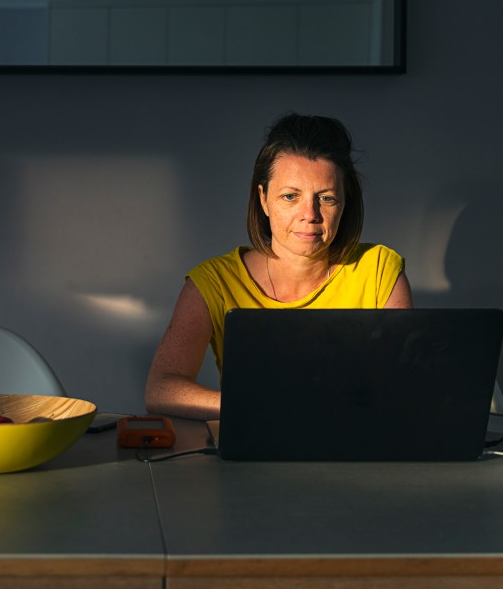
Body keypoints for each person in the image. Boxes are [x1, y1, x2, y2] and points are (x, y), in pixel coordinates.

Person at [145, 113, 413, 420]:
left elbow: (402, 387)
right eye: (290, 196)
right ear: (264, 200)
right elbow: (160, 389)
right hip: (252, 455)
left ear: (344, 203)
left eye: (325, 198)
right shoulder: (214, 282)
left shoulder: (379, 270)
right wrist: (254, 407)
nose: (309, 214)